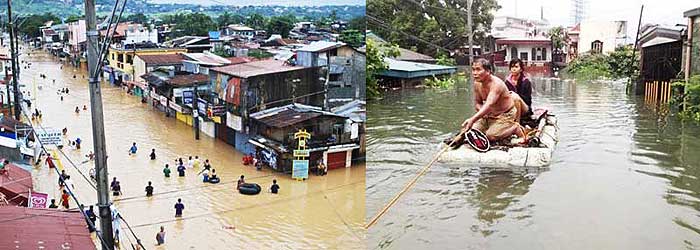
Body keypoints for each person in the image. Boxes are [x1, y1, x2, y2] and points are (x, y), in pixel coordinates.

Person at [461, 58, 525, 143]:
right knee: (470, 131)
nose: (474, 73)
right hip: (489, 115)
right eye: (473, 70)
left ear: (488, 71)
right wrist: (482, 112)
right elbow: (477, 103)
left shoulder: (496, 84)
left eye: (478, 70)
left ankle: (515, 128)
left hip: (505, 115)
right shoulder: (477, 83)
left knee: (491, 136)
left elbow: (489, 104)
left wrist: (472, 119)